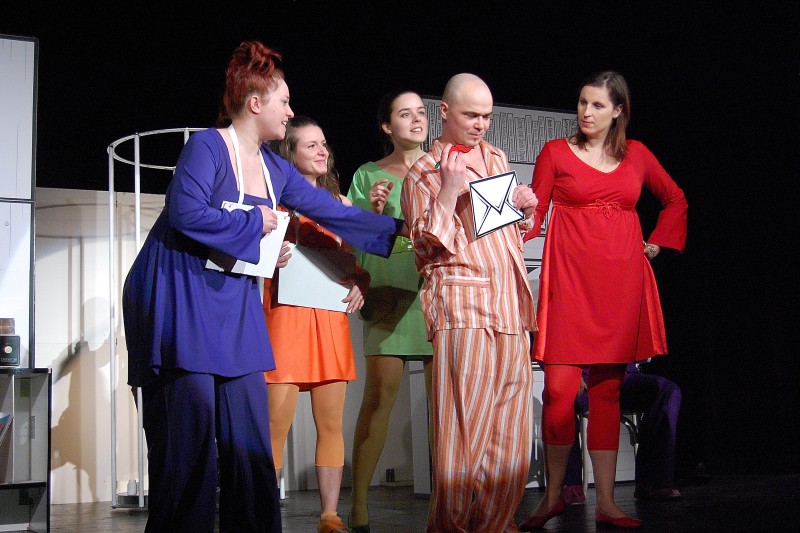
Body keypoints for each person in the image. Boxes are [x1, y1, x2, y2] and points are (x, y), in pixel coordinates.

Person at [121, 41, 401, 533]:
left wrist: (400, 233)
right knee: (190, 438)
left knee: (249, 438)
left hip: (231, 299)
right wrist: (256, 224)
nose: (290, 112)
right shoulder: (208, 147)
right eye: (284, 102)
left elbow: (328, 211)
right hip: (179, 290)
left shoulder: (274, 168)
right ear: (255, 103)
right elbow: (186, 214)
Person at [518, 70, 688, 530]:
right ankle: (553, 496)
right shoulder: (555, 152)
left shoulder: (638, 155)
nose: (586, 112)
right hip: (569, 281)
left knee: (607, 391)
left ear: (618, 111)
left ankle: (608, 502)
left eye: (597, 105)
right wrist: (515, 230)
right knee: (558, 390)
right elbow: (536, 213)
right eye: (582, 102)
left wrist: (657, 243)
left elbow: (675, 200)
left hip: (620, 282)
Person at [400, 73, 540, 533]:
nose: (481, 124)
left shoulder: (496, 157)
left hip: (509, 304)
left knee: (510, 437)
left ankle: (496, 525)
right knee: (464, 435)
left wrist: (523, 210)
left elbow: (499, 233)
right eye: (471, 115)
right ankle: (452, 527)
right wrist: (448, 189)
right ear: (444, 111)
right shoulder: (423, 172)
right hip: (463, 307)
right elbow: (425, 248)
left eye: (487, 116)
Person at [264, 116, 368, 533]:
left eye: (324, 143)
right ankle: (264, 514)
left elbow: (352, 263)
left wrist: (360, 283)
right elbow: (247, 256)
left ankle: (330, 515)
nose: (322, 151)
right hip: (286, 318)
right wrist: (267, 257)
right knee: (275, 423)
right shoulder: (272, 200)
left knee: (331, 422)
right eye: (311, 145)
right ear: (289, 154)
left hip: (328, 320)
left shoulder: (340, 204)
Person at [346, 89, 434, 533]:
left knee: (444, 408)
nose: (416, 120)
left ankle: (448, 504)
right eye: (405, 114)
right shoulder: (367, 174)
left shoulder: (445, 166)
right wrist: (371, 210)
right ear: (387, 126)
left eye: (421, 112)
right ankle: (359, 504)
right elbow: (351, 235)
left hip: (435, 291)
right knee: (379, 398)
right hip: (388, 291)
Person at [561, 364, 683, 505]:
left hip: (622, 376)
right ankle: (571, 484)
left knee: (667, 390)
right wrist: (569, 374)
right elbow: (544, 351)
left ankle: (653, 483)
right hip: (585, 379)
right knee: (559, 393)